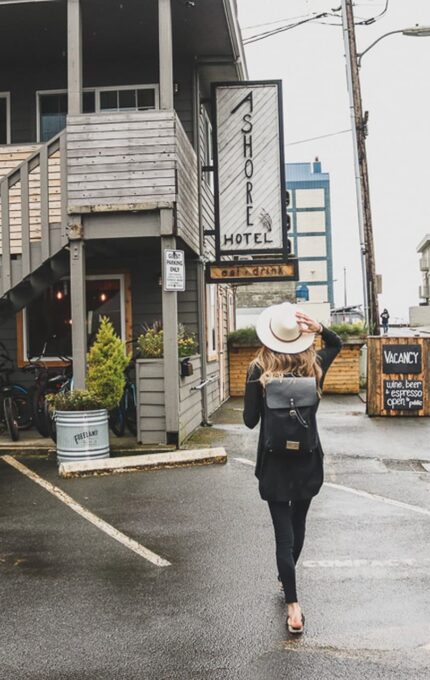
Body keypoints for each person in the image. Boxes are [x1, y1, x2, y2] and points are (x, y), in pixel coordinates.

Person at [243, 302, 342, 634]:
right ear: (300, 335)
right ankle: (288, 584)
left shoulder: (257, 369)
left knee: (282, 536)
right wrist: (319, 328)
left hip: (274, 464)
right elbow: (336, 344)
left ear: (270, 335)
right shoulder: (314, 365)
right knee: (298, 525)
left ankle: (293, 606)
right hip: (307, 461)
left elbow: (249, 421)